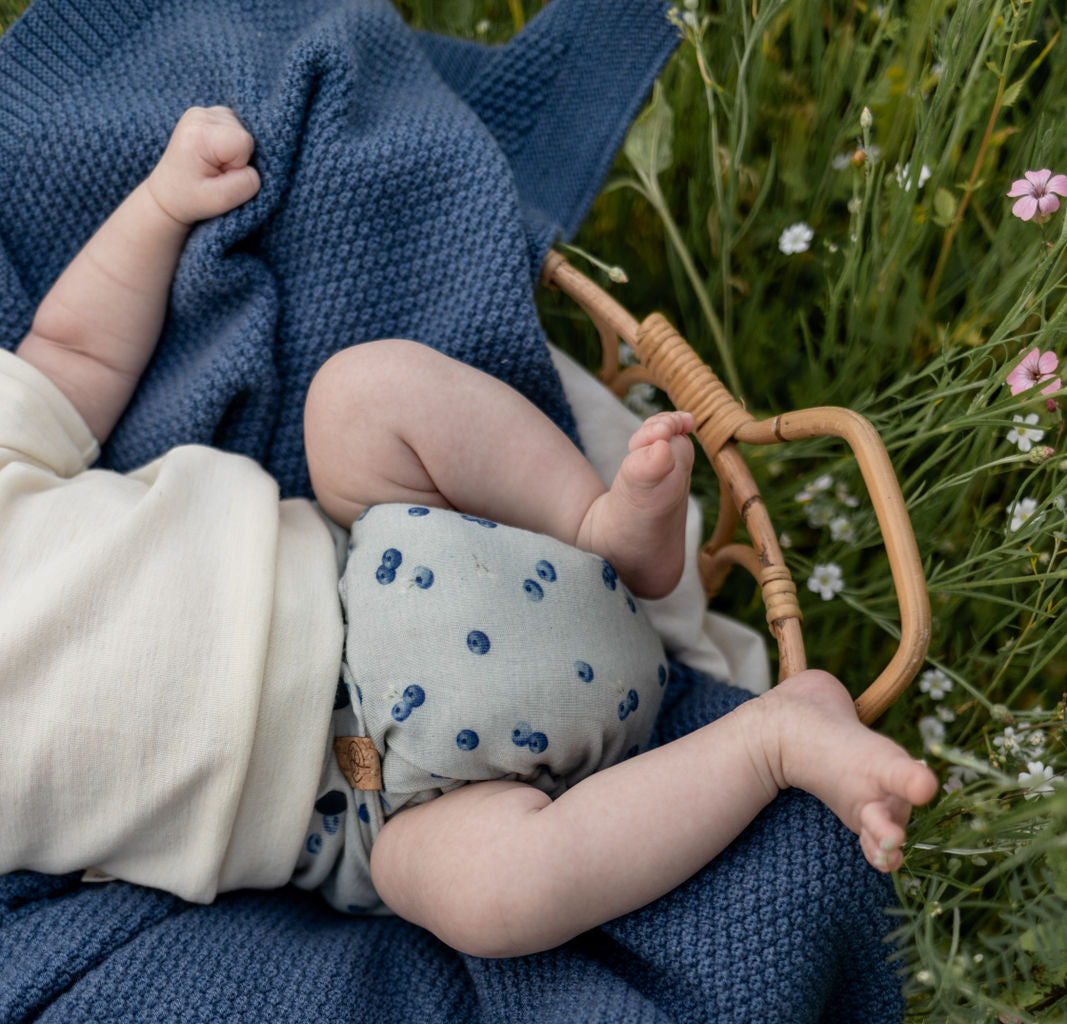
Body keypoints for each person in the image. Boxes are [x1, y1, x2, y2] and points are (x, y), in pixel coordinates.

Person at [3, 106, 938, 961]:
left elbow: (74, 352)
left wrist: (162, 206)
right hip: (380, 812)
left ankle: (600, 526)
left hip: (386, 564)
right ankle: (766, 744)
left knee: (359, 396)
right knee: (491, 900)